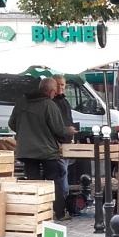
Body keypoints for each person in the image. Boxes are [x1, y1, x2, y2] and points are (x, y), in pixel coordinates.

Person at [8, 77, 69, 220]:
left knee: (32, 182)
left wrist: (25, 132)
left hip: (26, 150)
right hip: (47, 151)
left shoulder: (22, 102)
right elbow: (59, 130)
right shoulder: (49, 105)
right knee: (54, 181)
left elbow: (12, 124)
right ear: (52, 91)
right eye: (55, 92)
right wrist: (69, 131)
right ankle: (59, 213)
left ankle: (35, 213)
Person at [51, 76, 80, 216]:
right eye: (58, 85)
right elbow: (55, 125)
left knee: (64, 174)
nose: (61, 87)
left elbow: (67, 120)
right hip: (57, 144)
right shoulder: (52, 102)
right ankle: (60, 209)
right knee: (61, 176)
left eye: (63, 85)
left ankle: (63, 206)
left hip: (67, 143)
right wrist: (66, 130)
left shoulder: (64, 101)